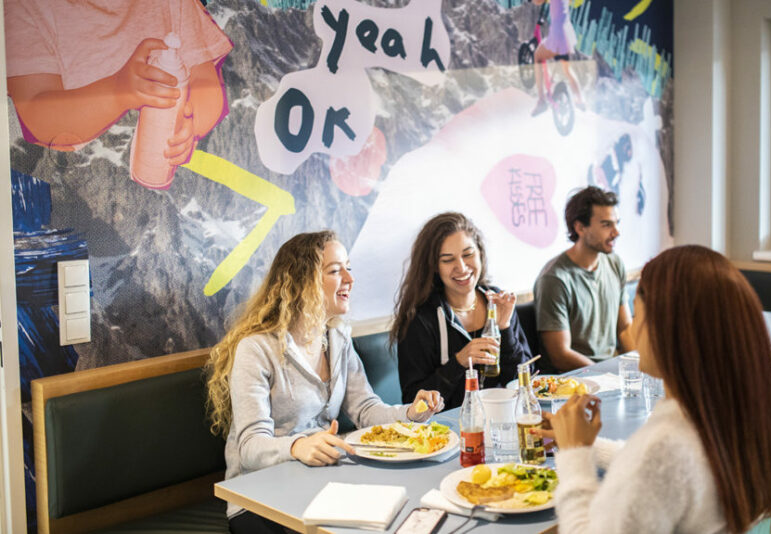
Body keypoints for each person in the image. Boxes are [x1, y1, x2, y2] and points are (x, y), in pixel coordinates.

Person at [537, 245, 771, 533]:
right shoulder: (733, 414)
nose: (631, 332)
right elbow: (664, 474)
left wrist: (575, 454)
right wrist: (584, 443)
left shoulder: (661, 450)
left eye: (638, 317)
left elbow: (656, 468)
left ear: (669, 328)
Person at [206, 231, 444, 534]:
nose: (349, 278)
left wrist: (410, 413)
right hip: (258, 498)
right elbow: (250, 447)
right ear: (302, 281)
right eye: (334, 270)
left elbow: (366, 410)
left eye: (348, 267)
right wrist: (298, 446)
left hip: (321, 483)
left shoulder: (338, 337)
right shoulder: (256, 349)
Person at [4, 0, 231, 183]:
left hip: (157, 178)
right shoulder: (24, 8)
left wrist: (192, 122)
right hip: (78, 188)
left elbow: (205, 81)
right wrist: (116, 93)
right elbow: (38, 116)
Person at [391, 212, 532, 410]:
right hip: (451, 431)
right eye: (448, 260)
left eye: (468, 254)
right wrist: (458, 362)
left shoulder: (497, 301)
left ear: (480, 254)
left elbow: (525, 381)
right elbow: (413, 401)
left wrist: (505, 329)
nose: (462, 267)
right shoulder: (420, 319)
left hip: (503, 416)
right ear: (434, 267)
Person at [533, 186, 632, 372]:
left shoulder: (615, 263)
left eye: (616, 223)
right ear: (580, 227)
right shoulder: (554, 279)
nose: (616, 232)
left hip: (610, 372)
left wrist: (641, 366)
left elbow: (625, 328)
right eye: (606, 225)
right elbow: (560, 355)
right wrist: (607, 375)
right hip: (575, 382)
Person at [529, 0, 586, 116]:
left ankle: (541, 101)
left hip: (557, 34)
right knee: (567, 70)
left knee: (537, 56)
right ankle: (580, 101)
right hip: (567, 33)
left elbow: (538, 2)